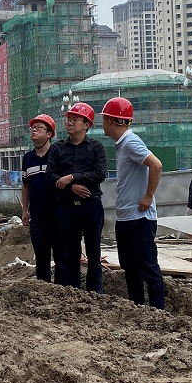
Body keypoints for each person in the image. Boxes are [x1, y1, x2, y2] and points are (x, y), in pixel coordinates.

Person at [101, 97, 165, 309]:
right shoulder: (123, 144)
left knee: (148, 268)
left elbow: (156, 165)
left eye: (104, 119)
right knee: (130, 267)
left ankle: (158, 312)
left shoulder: (131, 142)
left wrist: (148, 195)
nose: (102, 123)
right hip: (127, 218)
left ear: (112, 120)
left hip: (139, 219)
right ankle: (138, 308)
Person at [46, 102, 107, 292]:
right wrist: (72, 187)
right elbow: (51, 175)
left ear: (87, 124)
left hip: (91, 205)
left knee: (93, 252)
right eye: (68, 119)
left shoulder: (96, 147)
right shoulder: (57, 148)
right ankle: (73, 292)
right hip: (66, 206)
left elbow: (100, 173)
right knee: (70, 253)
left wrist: (73, 177)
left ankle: (95, 292)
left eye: (75, 119)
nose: (70, 123)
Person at [21, 114, 59, 283]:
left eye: (38, 128)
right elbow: (26, 185)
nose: (34, 131)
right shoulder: (27, 158)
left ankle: (61, 289)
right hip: (37, 216)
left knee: (61, 257)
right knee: (41, 257)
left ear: (49, 134)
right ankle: (44, 289)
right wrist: (25, 210)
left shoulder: (57, 154)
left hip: (58, 214)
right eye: (32, 128)